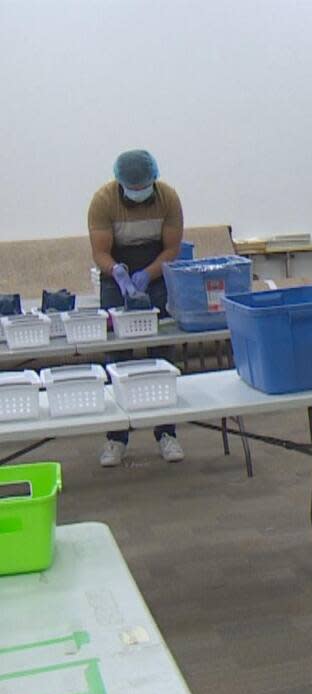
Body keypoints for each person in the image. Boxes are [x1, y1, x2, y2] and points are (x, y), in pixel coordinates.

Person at [88, 149, 185, 466]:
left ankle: (167, 433)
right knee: (118, 356)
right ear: (120, 182)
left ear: (153, 180)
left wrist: (147, 276)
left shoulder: (168, 198)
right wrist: (119, 273)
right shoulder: (103, 201)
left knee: (163, 354)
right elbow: (100, 252)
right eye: (134, 187)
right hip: (116, 276)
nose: (139, 193)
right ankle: (116, 437)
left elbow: (172, 248)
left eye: (144, 186)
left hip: (156, 275)